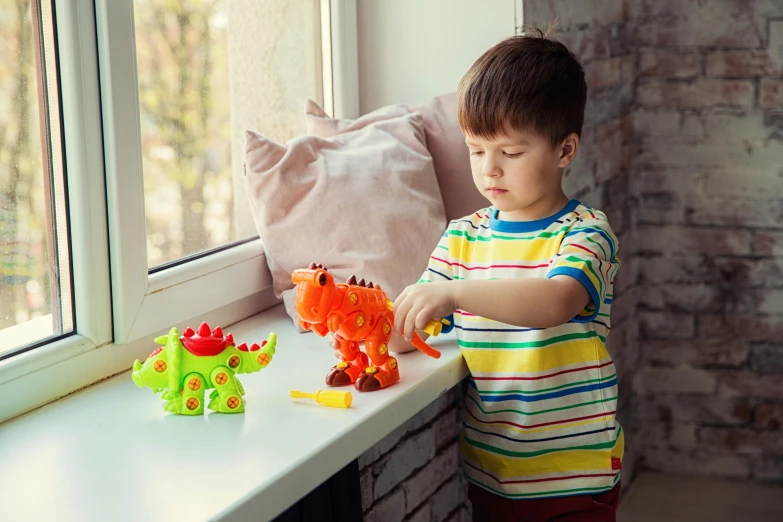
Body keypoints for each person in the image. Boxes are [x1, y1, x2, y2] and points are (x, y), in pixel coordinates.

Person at [393, 29, 624, 522]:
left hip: (574, 471)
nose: (489, 170)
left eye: (511, 153)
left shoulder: (585, 232)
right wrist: (373, 326)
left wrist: (453, 294)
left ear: (565, 151)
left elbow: (553, 302)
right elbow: (414, 325)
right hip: (492, 470)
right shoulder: (462, 237)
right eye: (476, 151)